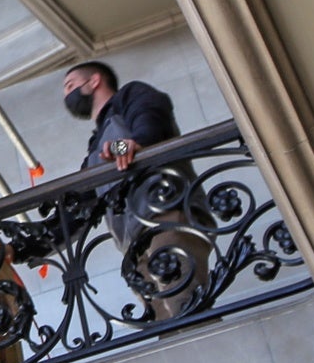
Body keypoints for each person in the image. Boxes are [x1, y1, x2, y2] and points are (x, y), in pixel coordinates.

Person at [60, 61, 212, 321]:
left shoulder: (130, 96)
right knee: (165, 325)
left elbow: (149, 125)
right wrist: (20, 250)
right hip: (133, 247)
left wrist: (130, 145)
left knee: (186, 309)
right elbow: (76, 211)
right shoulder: (96, 151)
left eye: (70, 85)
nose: (67, 95)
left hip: (165, 218)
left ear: (94, 81)